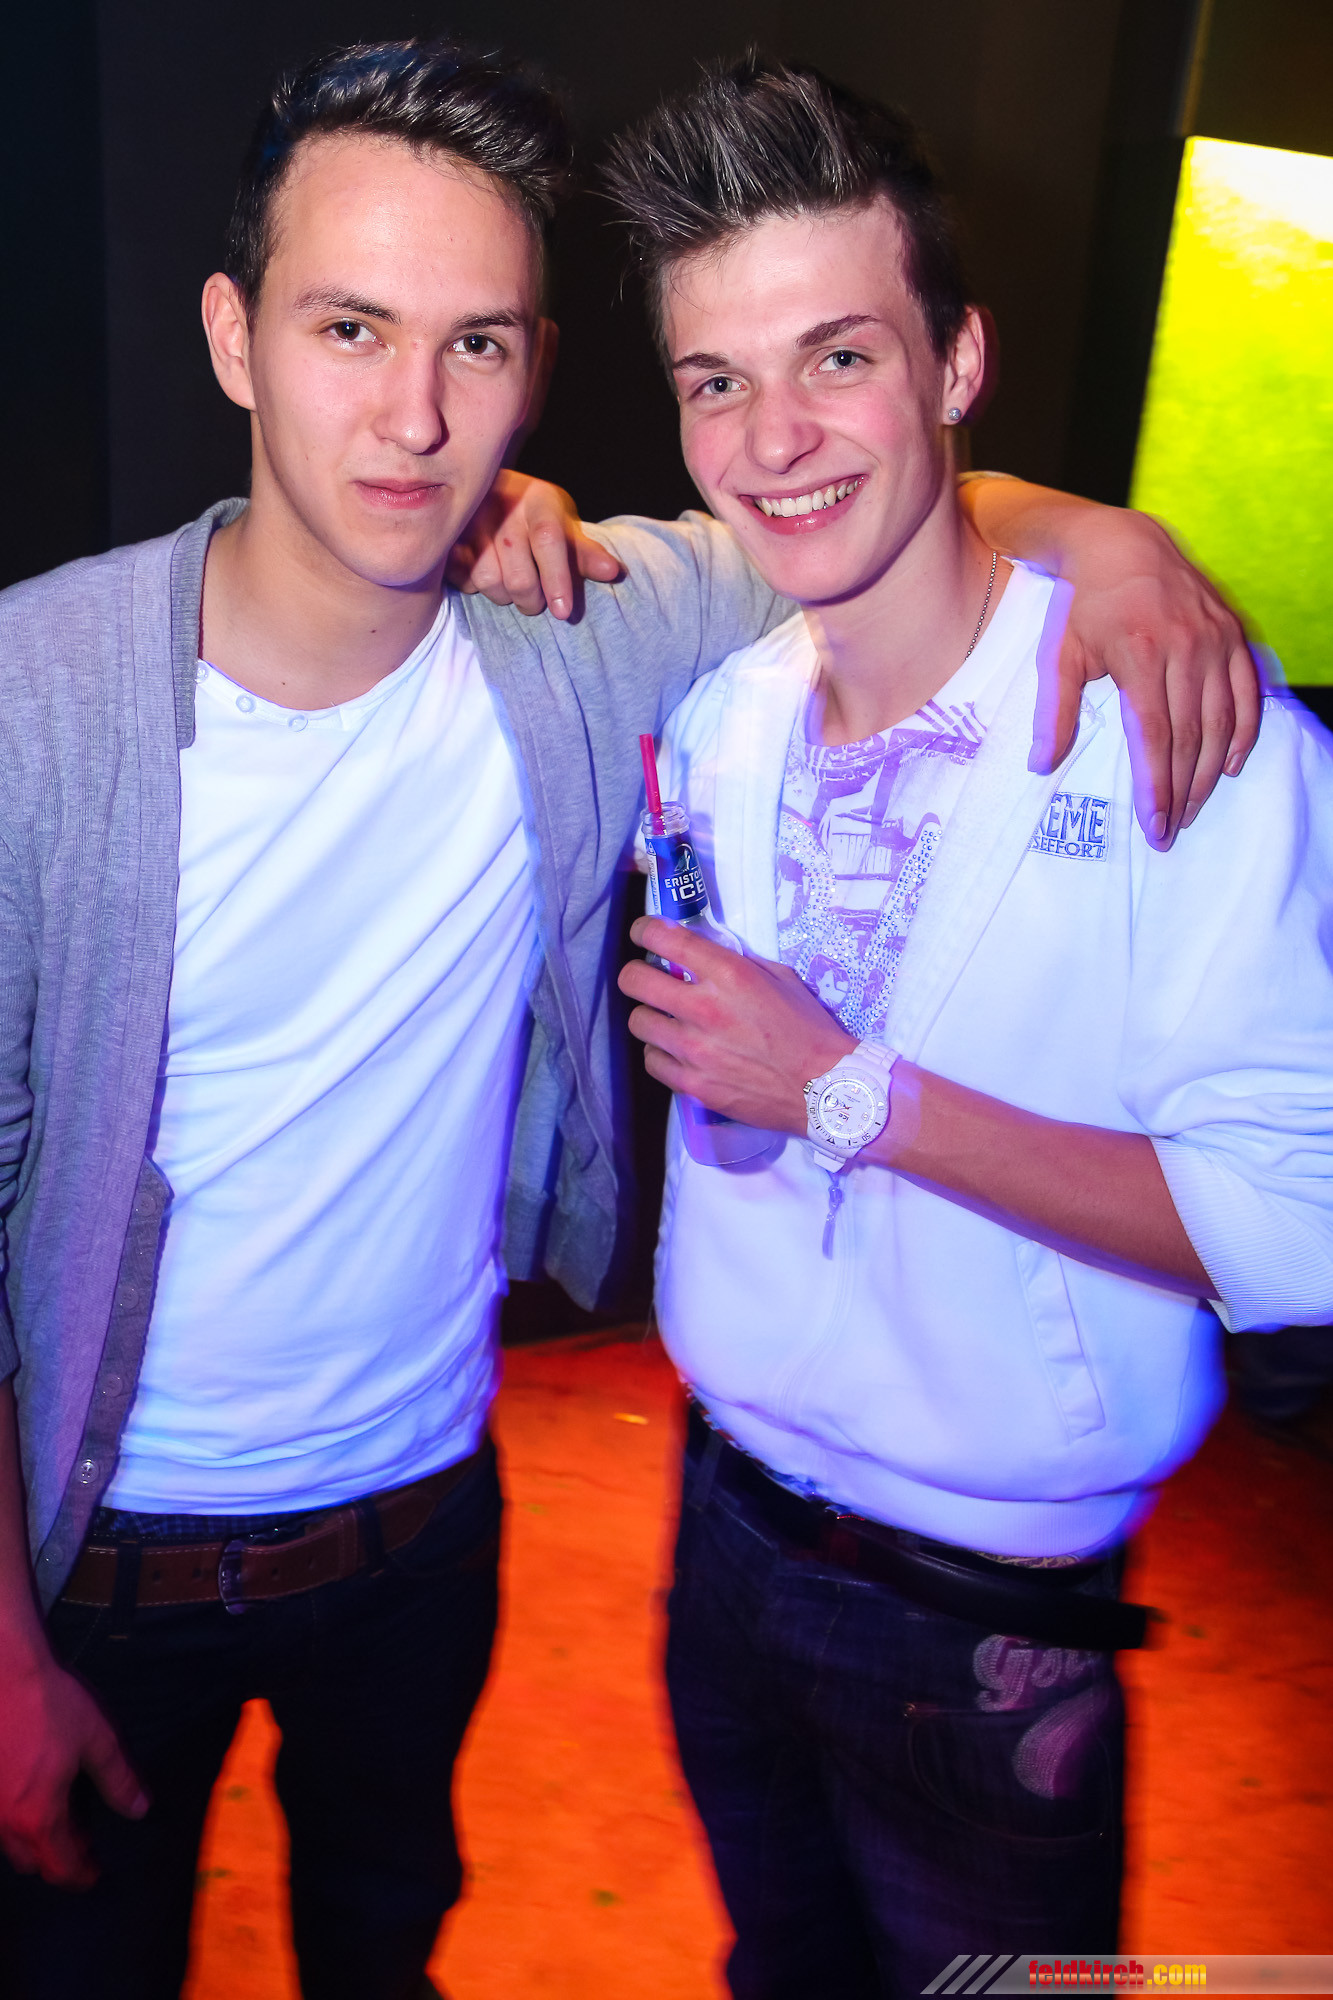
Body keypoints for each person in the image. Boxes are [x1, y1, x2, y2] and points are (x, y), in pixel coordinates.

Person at [0, 34, 1259, 2000]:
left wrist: (1110, 539)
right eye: (351, 329)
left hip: (425, 1536)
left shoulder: (579, 641)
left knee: (387, 1949)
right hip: (94, 1574)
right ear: (236, 337)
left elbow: (863, 495)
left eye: (478, 345)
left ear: (535, 370)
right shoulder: (36, 703)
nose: (416, 416)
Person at [606, 54, 1333, 1998]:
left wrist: (844, 1091)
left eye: (837, 358)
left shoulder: (1179, 721)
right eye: (713, 381)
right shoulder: (722, 715)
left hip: (989, 1619)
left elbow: (1300, 1226)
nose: (772, 439)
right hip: (721, 1535)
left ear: (956, 362)